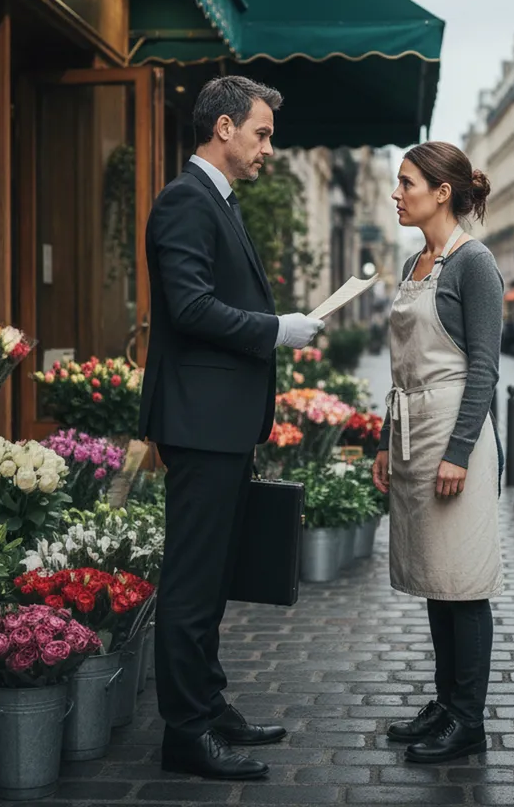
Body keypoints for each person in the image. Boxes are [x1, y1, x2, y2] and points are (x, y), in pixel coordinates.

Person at [138, 75, 324, 781]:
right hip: (200, 422)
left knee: (212, 581)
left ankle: (209, 707)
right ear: (223, 128)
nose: (267, 148)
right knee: (192, 584)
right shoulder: (186, 200)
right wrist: (279, 331)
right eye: (261, 133)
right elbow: (189, 308)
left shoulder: (214, 199)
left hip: (220, 421)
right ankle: (186, 734)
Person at [372, 140, 503, 764]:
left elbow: (483, 370)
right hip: (411, 430)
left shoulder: (473, 264)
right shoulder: (413, 265)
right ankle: (446, 703)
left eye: (407, 183)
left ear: (441, 192)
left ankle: (467, 718)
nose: (396, 194)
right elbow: (400, 367)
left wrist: (459, 451)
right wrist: (382, 441)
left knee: (464, 580)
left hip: (457, 438)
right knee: (436, 578)